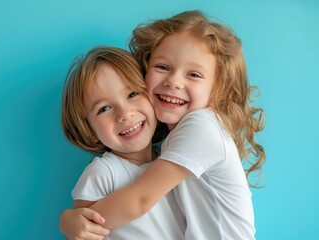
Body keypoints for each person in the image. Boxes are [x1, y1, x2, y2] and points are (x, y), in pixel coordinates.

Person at [60, 10, 265, 240]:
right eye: (163, 67)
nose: (174, 81)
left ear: (217, 88)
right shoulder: (166, 148)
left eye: (194, 74)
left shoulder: (202, 126)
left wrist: (73, 220)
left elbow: (140, 200)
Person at [60, 46, 186, 240]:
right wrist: (70, 221)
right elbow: (81, 232)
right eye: (104, 108)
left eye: (132, 94)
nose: (125, 113)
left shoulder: (173, 154)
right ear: (90, 131)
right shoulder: (103, 172)